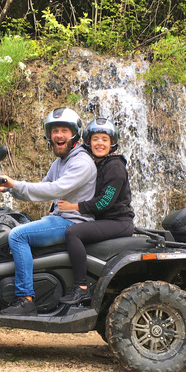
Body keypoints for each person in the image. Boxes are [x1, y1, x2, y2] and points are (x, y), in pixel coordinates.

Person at [0, 107, 97, 315]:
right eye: (54, 131)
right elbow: (41, 187)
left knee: (17, 235)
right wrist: (8, 189)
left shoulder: (81, 162)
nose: (58, 135)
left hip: (73, 222)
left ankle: (25, 298)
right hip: (60, 218)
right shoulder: (60, 161)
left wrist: (14, 184)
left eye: (64, 130)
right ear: (48, 136)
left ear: (75, 134)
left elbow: (54, 190)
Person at [57, 118, 134, 305]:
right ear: (88, 142)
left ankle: (81, 288)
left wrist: (73, 207)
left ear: (112, 143)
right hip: (104, 220)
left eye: (105, 139)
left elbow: (105, 202)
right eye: (96, 139)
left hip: (118, 222)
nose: (100, 143)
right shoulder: (97, 165)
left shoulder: (115, 166)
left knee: (73, 233)